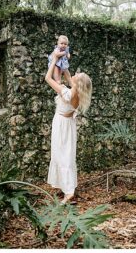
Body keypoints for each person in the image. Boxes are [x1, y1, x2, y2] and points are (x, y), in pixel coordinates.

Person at [44, 50, 93, 204]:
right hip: (68, 125)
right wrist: (63, 61)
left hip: (61, 125)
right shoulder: (77, 93)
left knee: (61, 155)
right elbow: (67, 74)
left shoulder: (67, 93)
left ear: (77, 83)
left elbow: (47, 78)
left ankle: (69, 192)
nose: (74, 74)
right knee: (67, 156)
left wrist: (54, 59)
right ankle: (67, 188)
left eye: (76, 76)